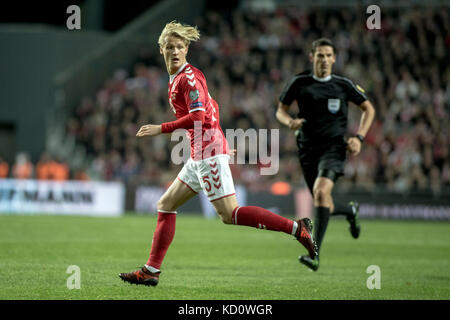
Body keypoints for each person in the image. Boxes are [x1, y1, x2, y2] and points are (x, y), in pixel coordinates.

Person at [119, 21, 317, 286]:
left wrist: (161, 129)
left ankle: (297, 228)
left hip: (206, 154)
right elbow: (214, 106)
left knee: (230, 215)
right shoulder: (179, 77)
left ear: (187, 49)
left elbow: (199, 116)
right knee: (165, 205)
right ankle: (150, 271)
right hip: (202, 152)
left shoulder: (187, 78)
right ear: (161, 49)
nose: (175, 51)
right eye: (170, 46)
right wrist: (220, 142)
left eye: (180, 46)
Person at [276, 38, 375, 271]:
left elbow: (368, 108)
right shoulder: (300, 82)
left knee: (321, 193)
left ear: (334, 58)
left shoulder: (342, 84)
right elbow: (280, 110)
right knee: (323, 202)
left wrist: (359, 138)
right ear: (312, 57)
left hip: (334, 149)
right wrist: (290, 122)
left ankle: (314, 254)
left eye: (328, 55)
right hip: (307, 150)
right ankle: (350, 210)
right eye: (319, 55)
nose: (323, 59)